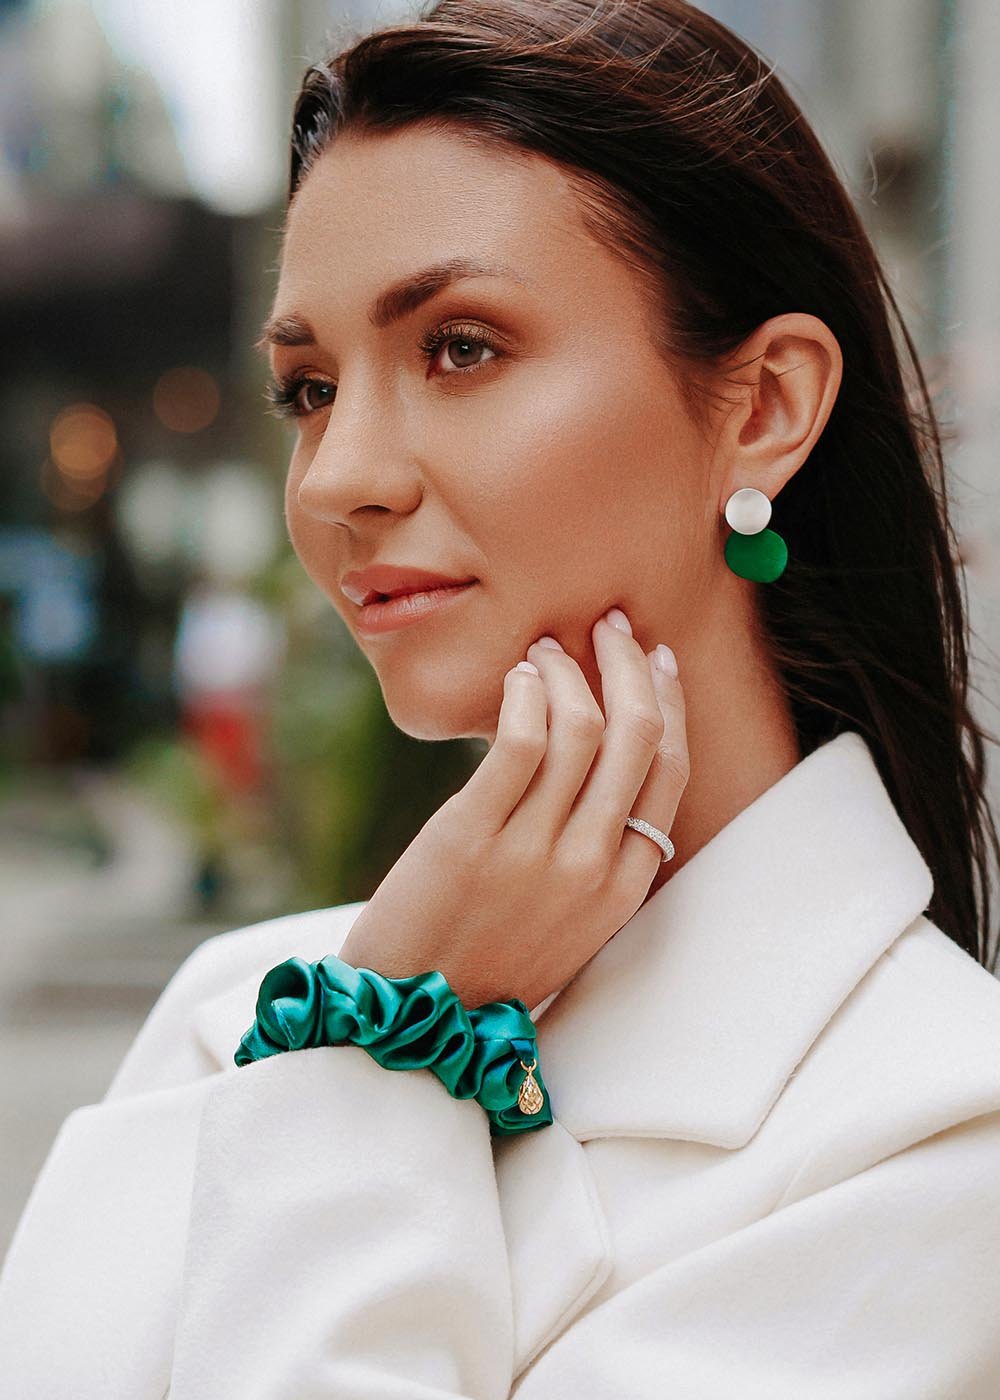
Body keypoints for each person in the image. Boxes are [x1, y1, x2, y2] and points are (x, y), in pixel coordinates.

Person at [4, 0, 1000, 1394]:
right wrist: (389, 1008)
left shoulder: (937, 1138)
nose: (340, 474)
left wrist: (389, 1047)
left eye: (461, 347)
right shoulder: (235, 1011)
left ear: (765, 404)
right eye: (305, 388)